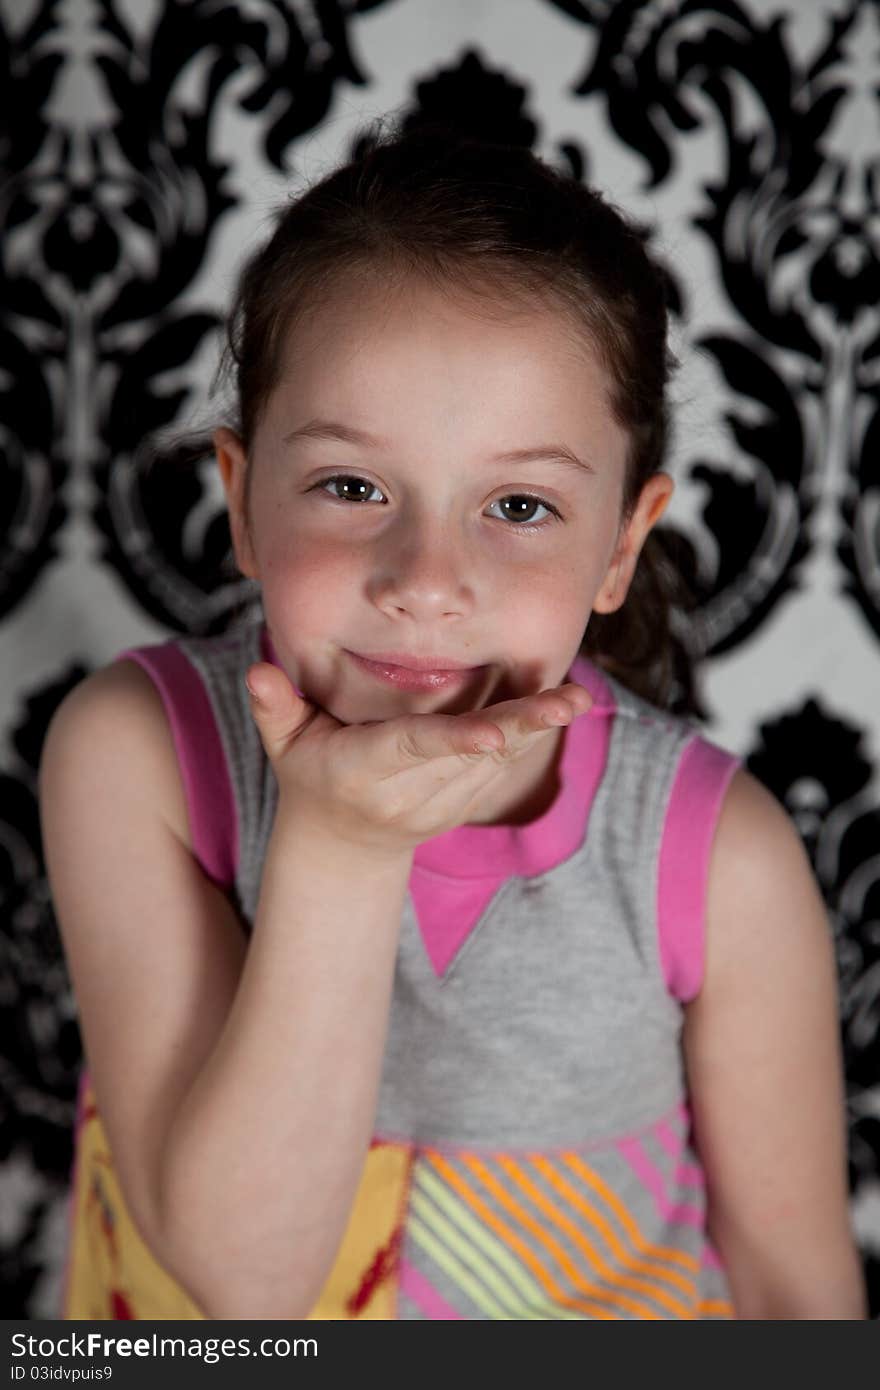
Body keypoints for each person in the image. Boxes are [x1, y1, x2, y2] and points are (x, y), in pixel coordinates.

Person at [40, 119, 866, 1321]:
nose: (426, 576)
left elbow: (799, 1288)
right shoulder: (136, 752)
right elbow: (243, 1286)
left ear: (620, 546)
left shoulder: (712, 855)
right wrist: (339, 848)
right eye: (352, 486)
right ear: (241, 499)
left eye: (520, 503)